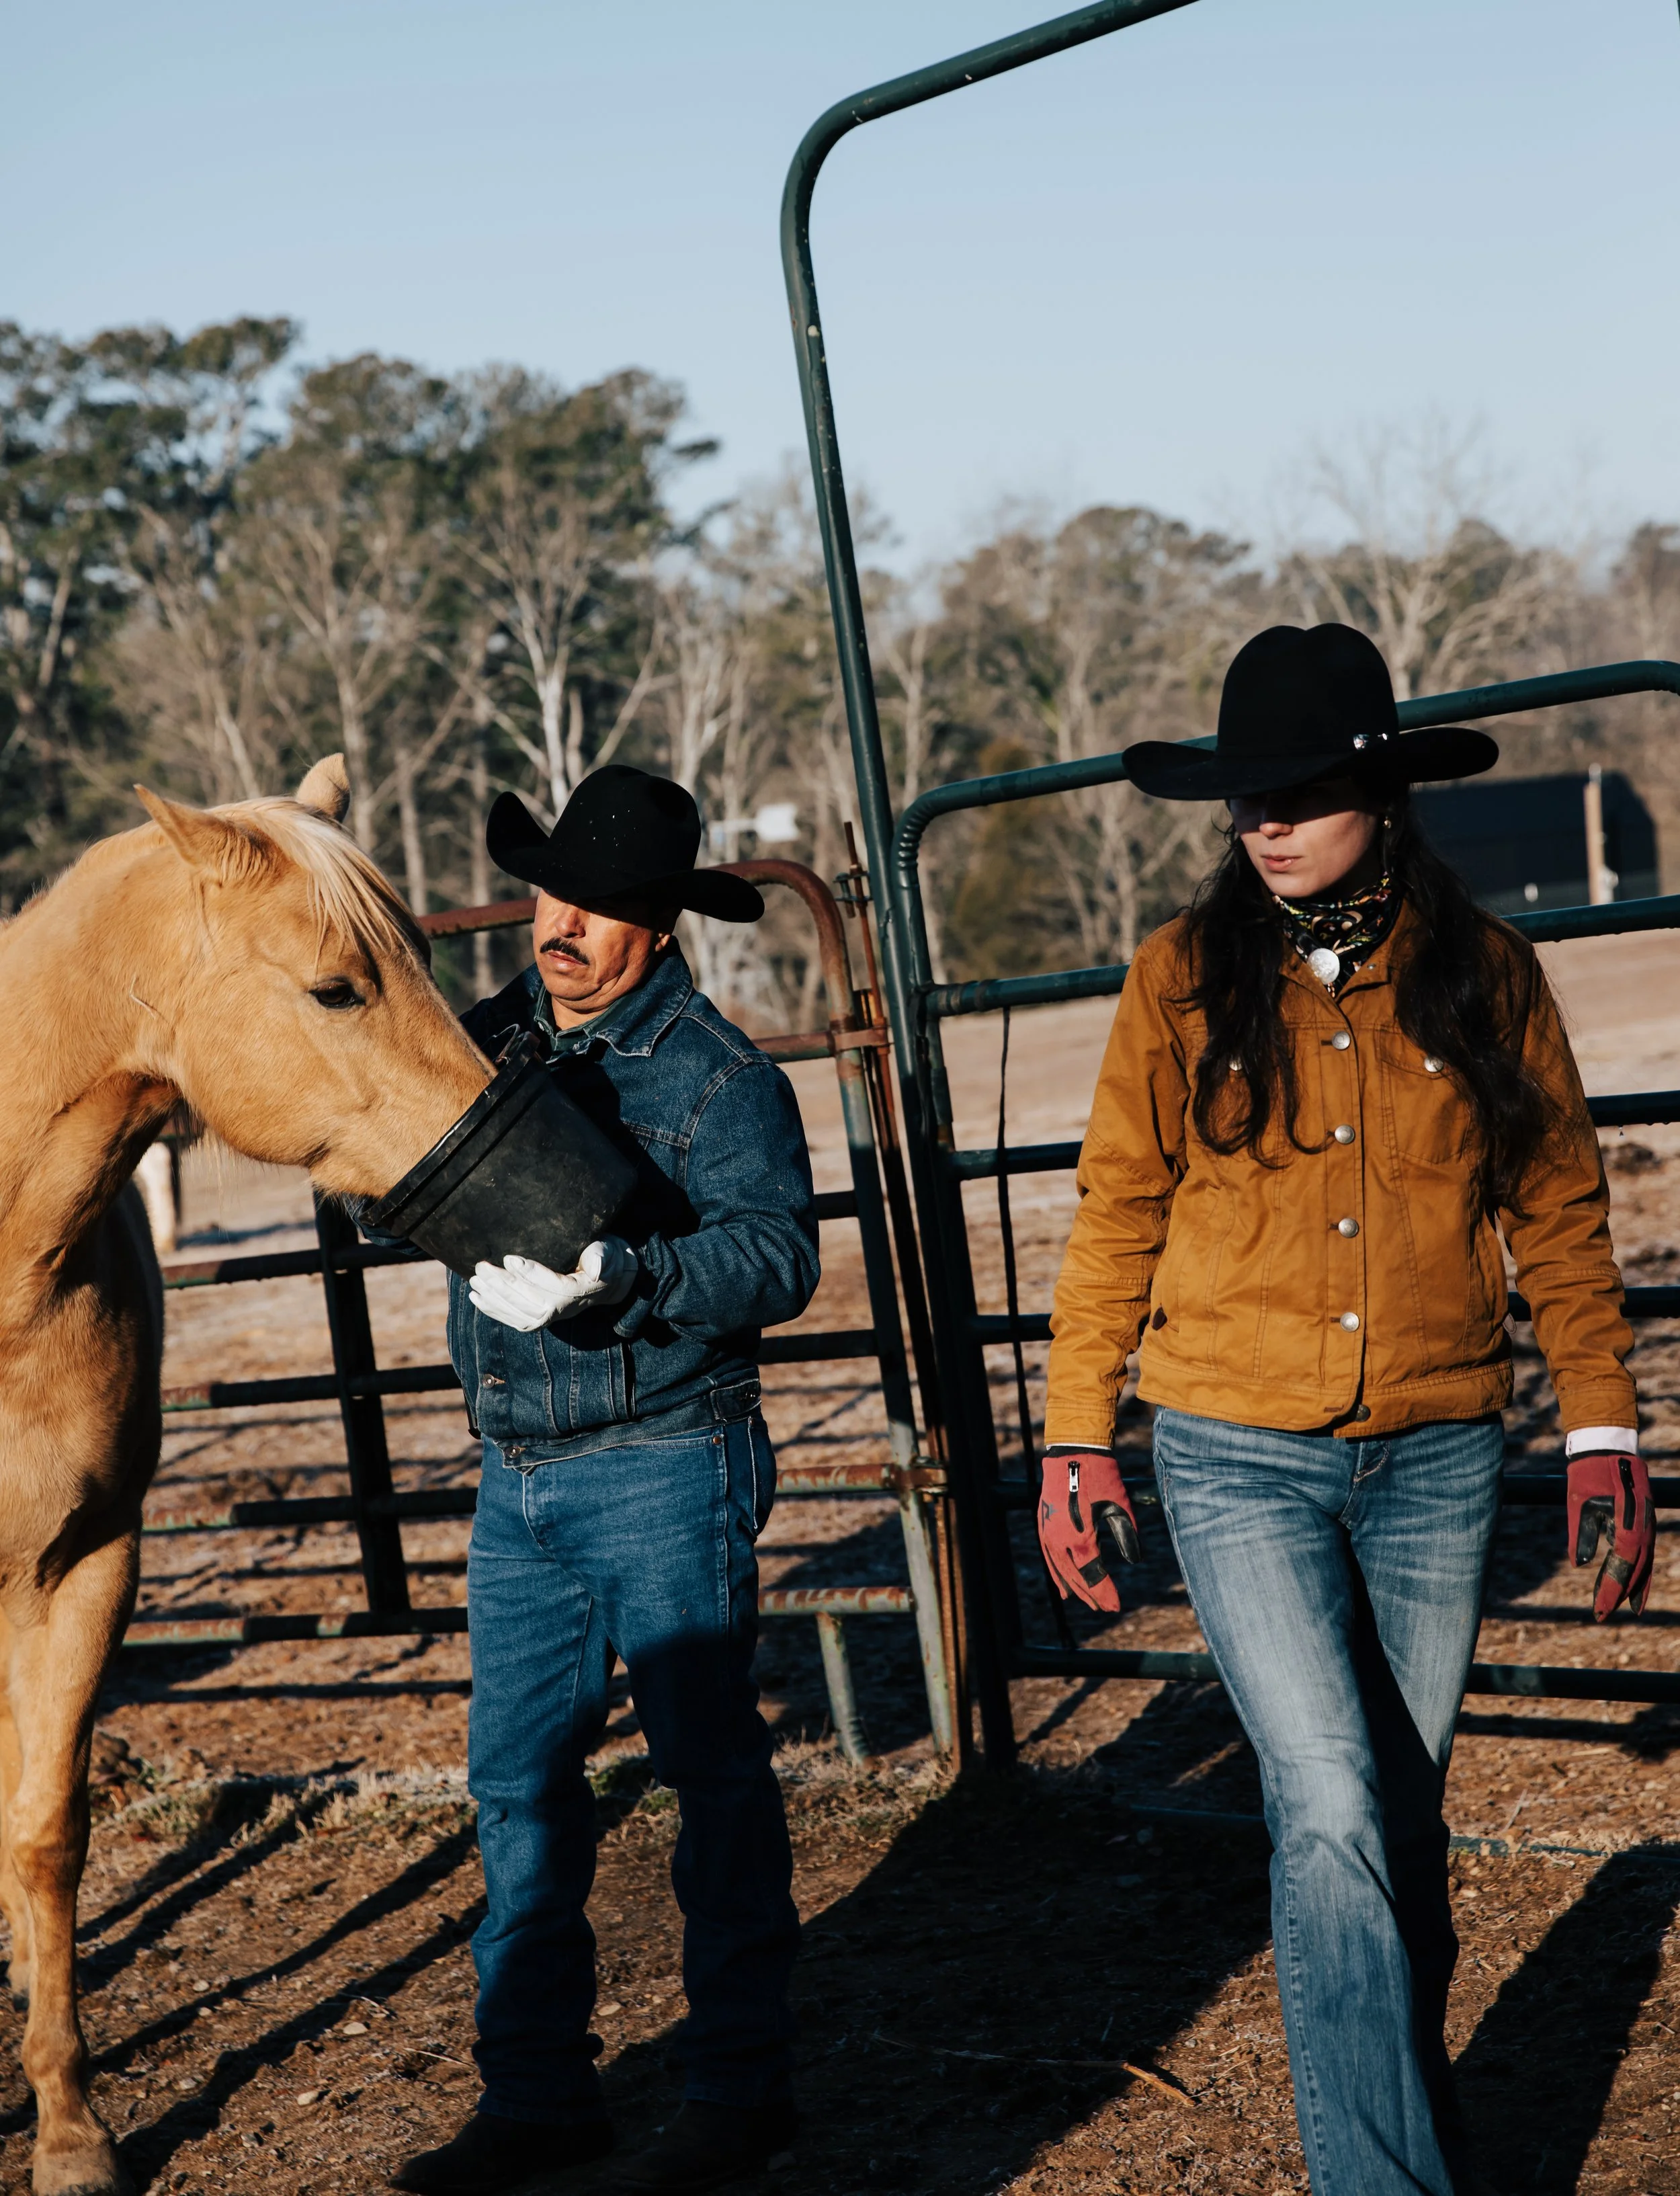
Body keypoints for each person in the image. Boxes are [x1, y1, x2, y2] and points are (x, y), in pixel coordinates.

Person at [1038, 624, 1653, 2196]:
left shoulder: (1485, 978)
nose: (1264, 819)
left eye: (1299, 789)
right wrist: (1072, 1432)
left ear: (1378, 791)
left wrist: (1600, 1425)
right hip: (1233, 1449)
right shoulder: (1177, 978)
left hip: (1438, 1453)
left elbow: (1561, 1215)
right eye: (1245, 793)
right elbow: (1114, 1210)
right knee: (1323, 1805)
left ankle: (1402, 2110)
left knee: (1398, 1809)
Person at [394, 766, 819, 2196]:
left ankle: (736, 2091)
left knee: (708, 1776)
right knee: (515, 1785)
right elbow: (398, 1164)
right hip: (515, 1465)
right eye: (550, 892)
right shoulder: (488, 1038)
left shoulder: (716, 1073)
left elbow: (778, 1257)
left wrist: (629, 1275)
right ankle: (535, 2094)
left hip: (662, 1453)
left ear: (660, 922)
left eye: (602, 905)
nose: (561, 923)